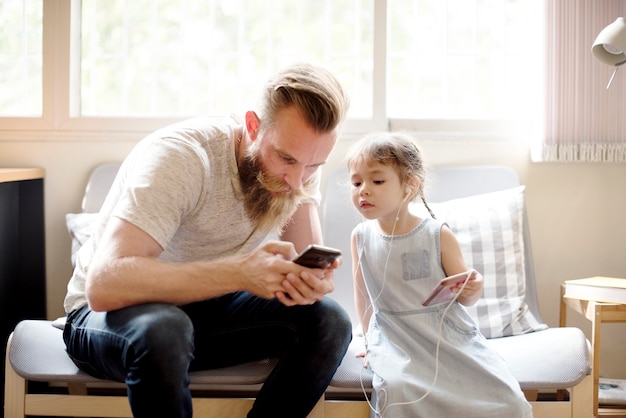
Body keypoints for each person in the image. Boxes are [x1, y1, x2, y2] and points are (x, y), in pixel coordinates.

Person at [62, 63, 353, 418]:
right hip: (110, 320)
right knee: (167, 328)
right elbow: (104, 285)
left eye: (314, 166)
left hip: (206, 316)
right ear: (253, 126)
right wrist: (239, 274)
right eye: (286, 158)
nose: (296, 179)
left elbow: (306, 267)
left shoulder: (299, 168)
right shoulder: (182, 157)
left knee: (329, 322)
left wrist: (308, 280)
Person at [345, 132, 533, 418]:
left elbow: (465, 296)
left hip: (446, 336)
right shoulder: (360, 237)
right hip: (395, 339)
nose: (363, 190)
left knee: (508, 399)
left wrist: (473, 288)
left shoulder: (437, 234)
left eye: (377, 180)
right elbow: (363, 297)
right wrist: (371, 344)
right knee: (395, 391)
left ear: (409, 187)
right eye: (356, 182)